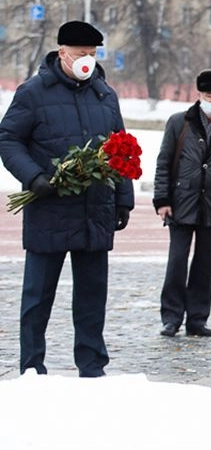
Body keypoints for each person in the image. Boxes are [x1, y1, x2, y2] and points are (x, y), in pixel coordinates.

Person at [0, 20, 134, 377]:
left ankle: (92, 365)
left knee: (92, 296)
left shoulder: (105, 94)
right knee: (37, 296)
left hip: (96, 209)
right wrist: (34, 177)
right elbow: (9, 139)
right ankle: (32, 367)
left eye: (92, 54)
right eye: (80, 54)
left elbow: (121, 148)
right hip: (50, 207)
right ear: (62, 53)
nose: (87, 61)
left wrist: (123, 198)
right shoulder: (33, 92)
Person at [153, 69, 211, 338]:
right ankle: (171, 317)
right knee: (176, 262)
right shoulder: (180, 122)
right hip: (181, 202)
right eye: (209, 94)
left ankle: (197, 318)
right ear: (199, 95)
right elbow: (164, 162)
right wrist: (162, 199)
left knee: (205, 264)